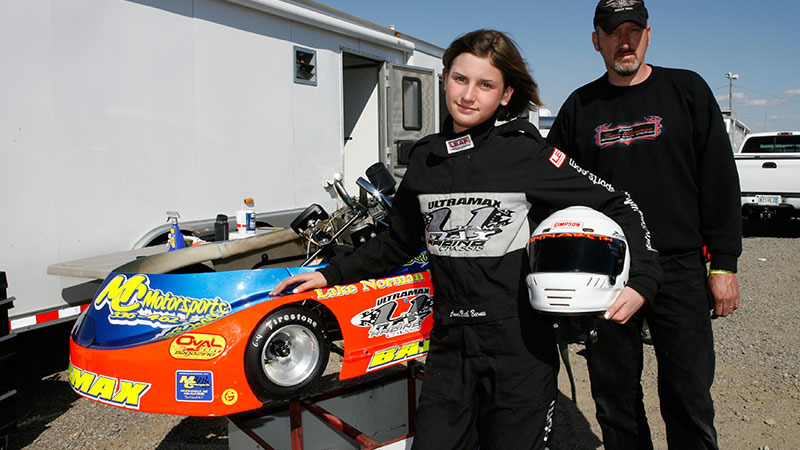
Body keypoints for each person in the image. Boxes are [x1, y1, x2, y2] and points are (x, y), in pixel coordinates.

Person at [272, 29, 661, 450]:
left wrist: (642, 280)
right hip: (450, 347)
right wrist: (330, 274)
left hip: (519, 348)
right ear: (445, 80)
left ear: (506, 95)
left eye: (486, 85)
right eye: (460, 79)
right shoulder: (425, 159)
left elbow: (619, 204)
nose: (469, 95)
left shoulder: (526, 154)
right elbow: (397, 242)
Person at [546, 2, 742, 449]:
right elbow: (551, 181)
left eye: (634, 30)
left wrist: (724, 264)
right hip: (607, 270)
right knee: (614, 398)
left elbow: (719, 180)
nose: (625, 41)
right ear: (596, 41)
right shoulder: (580, 106)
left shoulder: (687, 90)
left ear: (649, 35)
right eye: (613, 32)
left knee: (688, 395)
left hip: (678, 268)